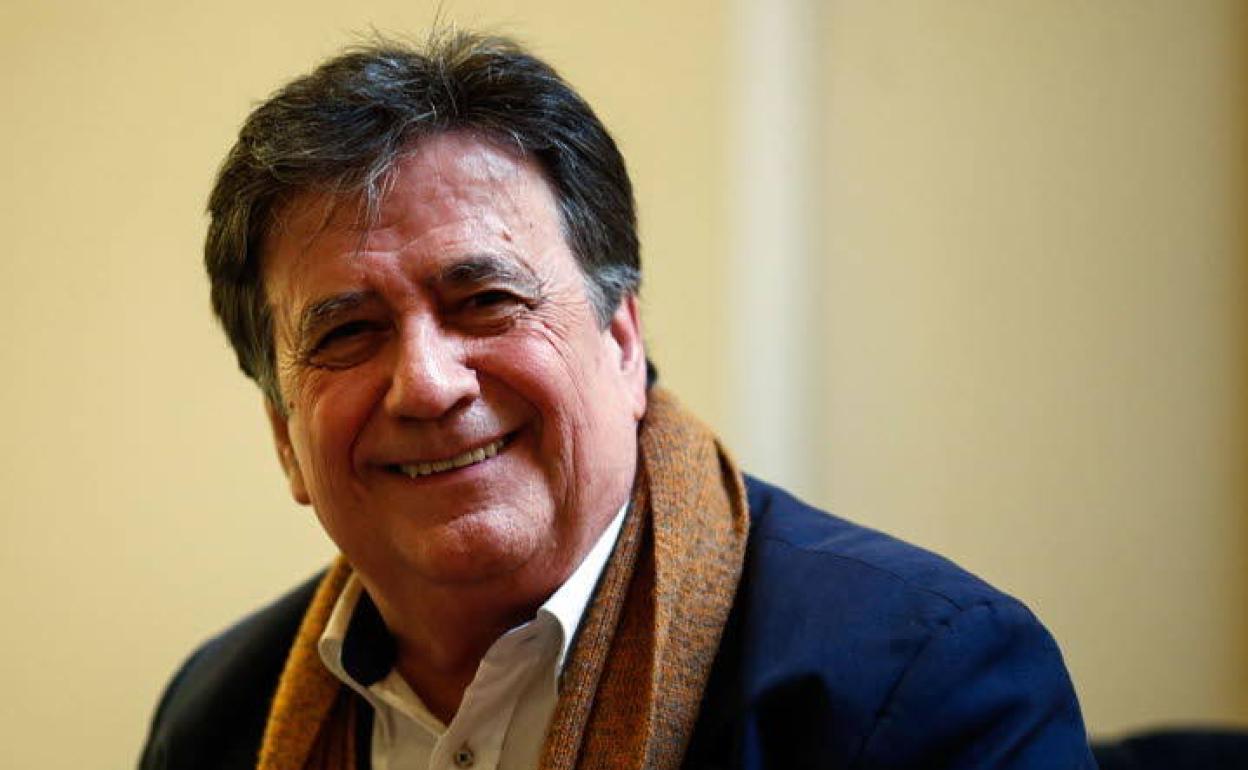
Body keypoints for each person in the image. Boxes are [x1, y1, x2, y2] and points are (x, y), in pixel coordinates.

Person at [139, 31, 1097, 770]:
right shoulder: (217, 718)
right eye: (347, 333)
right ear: (284, 437)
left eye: (486, 300)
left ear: (623, 342)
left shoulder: (922, 684)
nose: (427, 383)